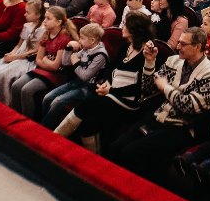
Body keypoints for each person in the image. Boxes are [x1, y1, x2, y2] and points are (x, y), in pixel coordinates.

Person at [105, 27, 210, 180]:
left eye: (183, 44)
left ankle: (130, 191)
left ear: (198, 47)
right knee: (115, 148)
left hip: (182, 126)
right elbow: (148, 89)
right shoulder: (174, 61)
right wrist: (149, 62)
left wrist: (166, 88)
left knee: (131, 153)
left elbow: (190, 106)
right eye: (178, 42)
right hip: (158, 117)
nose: (178, 47)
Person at [53, 11, 154, 152]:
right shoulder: (126, 46)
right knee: (88, 126)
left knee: (88, 102)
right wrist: (105, 83)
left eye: (125, 25)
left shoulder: (147, 54)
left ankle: (54, 138)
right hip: (111, 92)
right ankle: (94, 159)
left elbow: (139, 88)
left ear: (134, 30)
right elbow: (111, 68)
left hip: (128, 101)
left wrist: (110, 90)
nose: (122, 27)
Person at [10, 5, 79, 119]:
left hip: (57, 76)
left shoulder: (64, 38)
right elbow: (38, 59)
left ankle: (28, 121)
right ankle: (15, 116)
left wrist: (44, 60)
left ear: (58, 22)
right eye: (45, 18)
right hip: (41, 70)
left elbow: (56, 67)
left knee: (27, 90)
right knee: (16, 86)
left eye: (48, 18)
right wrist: (45, 61)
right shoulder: (46, 34)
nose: (44, 21)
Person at [0, 0, 45, 106]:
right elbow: (19, 44)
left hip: (27, 59)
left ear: (38, 15)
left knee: (3, 75)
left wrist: (15, 57)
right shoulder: (26, 25)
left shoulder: (42, 29)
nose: (24, 15)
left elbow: (34, 51)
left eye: (28, 13)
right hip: (18, 54)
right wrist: (11, 53)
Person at [40, 22, 109, 130]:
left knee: (58, 101)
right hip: (77, 82)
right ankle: (45, 123)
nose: (79, 41)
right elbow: (66, 62)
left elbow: (85, 76)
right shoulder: (86, 48)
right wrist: (68, 48)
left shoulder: (101, 55)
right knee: (47, 97)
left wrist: (76, 62)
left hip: (89, 88)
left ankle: (45, 129)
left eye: (82, 38)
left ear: (92, 40)